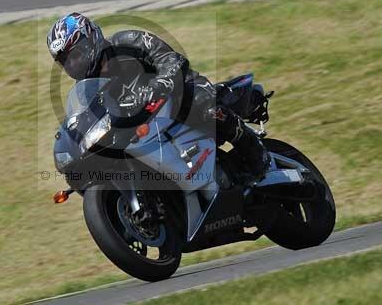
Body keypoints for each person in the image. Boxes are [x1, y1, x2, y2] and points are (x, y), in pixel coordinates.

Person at [47, 12, 269, 182]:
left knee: (206, 107)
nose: (72, 64)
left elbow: (172, 59)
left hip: (180, 93)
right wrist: (74, 140)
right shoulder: (86, 90)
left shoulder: (127, 42)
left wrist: (160, 82)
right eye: (65, 61)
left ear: (91, 40)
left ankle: (256, 154)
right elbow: (88, 120)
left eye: (75, 55)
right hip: (144, 125)